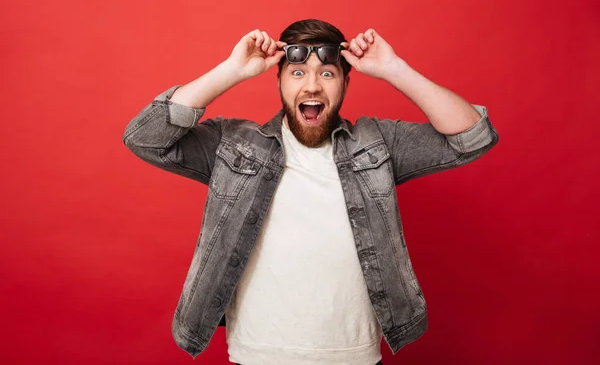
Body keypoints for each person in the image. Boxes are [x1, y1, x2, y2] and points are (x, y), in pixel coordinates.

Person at [123, 19, 499, 365]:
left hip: (354, 356)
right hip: (258, 355)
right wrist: (232, 71)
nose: (312, 85)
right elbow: (145, 139)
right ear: (280, 83)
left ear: (346, 83)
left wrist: (393, 68)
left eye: (328, 73)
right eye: (298, 72)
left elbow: (472, 137)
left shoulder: (378, 143)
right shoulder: (233, 144)